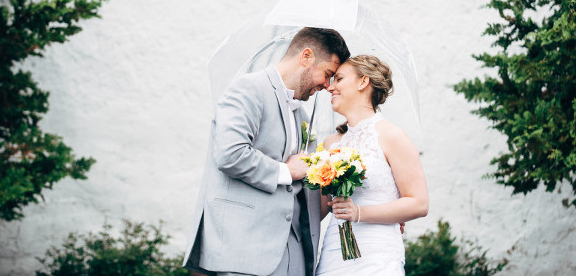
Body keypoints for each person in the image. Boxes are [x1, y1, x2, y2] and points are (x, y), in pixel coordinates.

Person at [184, 27, 350, 276]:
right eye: (327, 74)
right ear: (306, 56)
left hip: (293, 254)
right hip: (245, 248)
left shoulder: (302, 115)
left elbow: (305, 187)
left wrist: (359, 201)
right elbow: (230, 154)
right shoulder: (248, 88)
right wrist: (287, 170)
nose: (327, 86)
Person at [315, 55, 429, 276]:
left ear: (362, 82)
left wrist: (359, 212)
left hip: (377, 255)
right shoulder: (330, 144)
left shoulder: (391, 136)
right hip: (334, 255)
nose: (330, 87)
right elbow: (317, 209)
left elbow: (419, 203)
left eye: (338, 79)